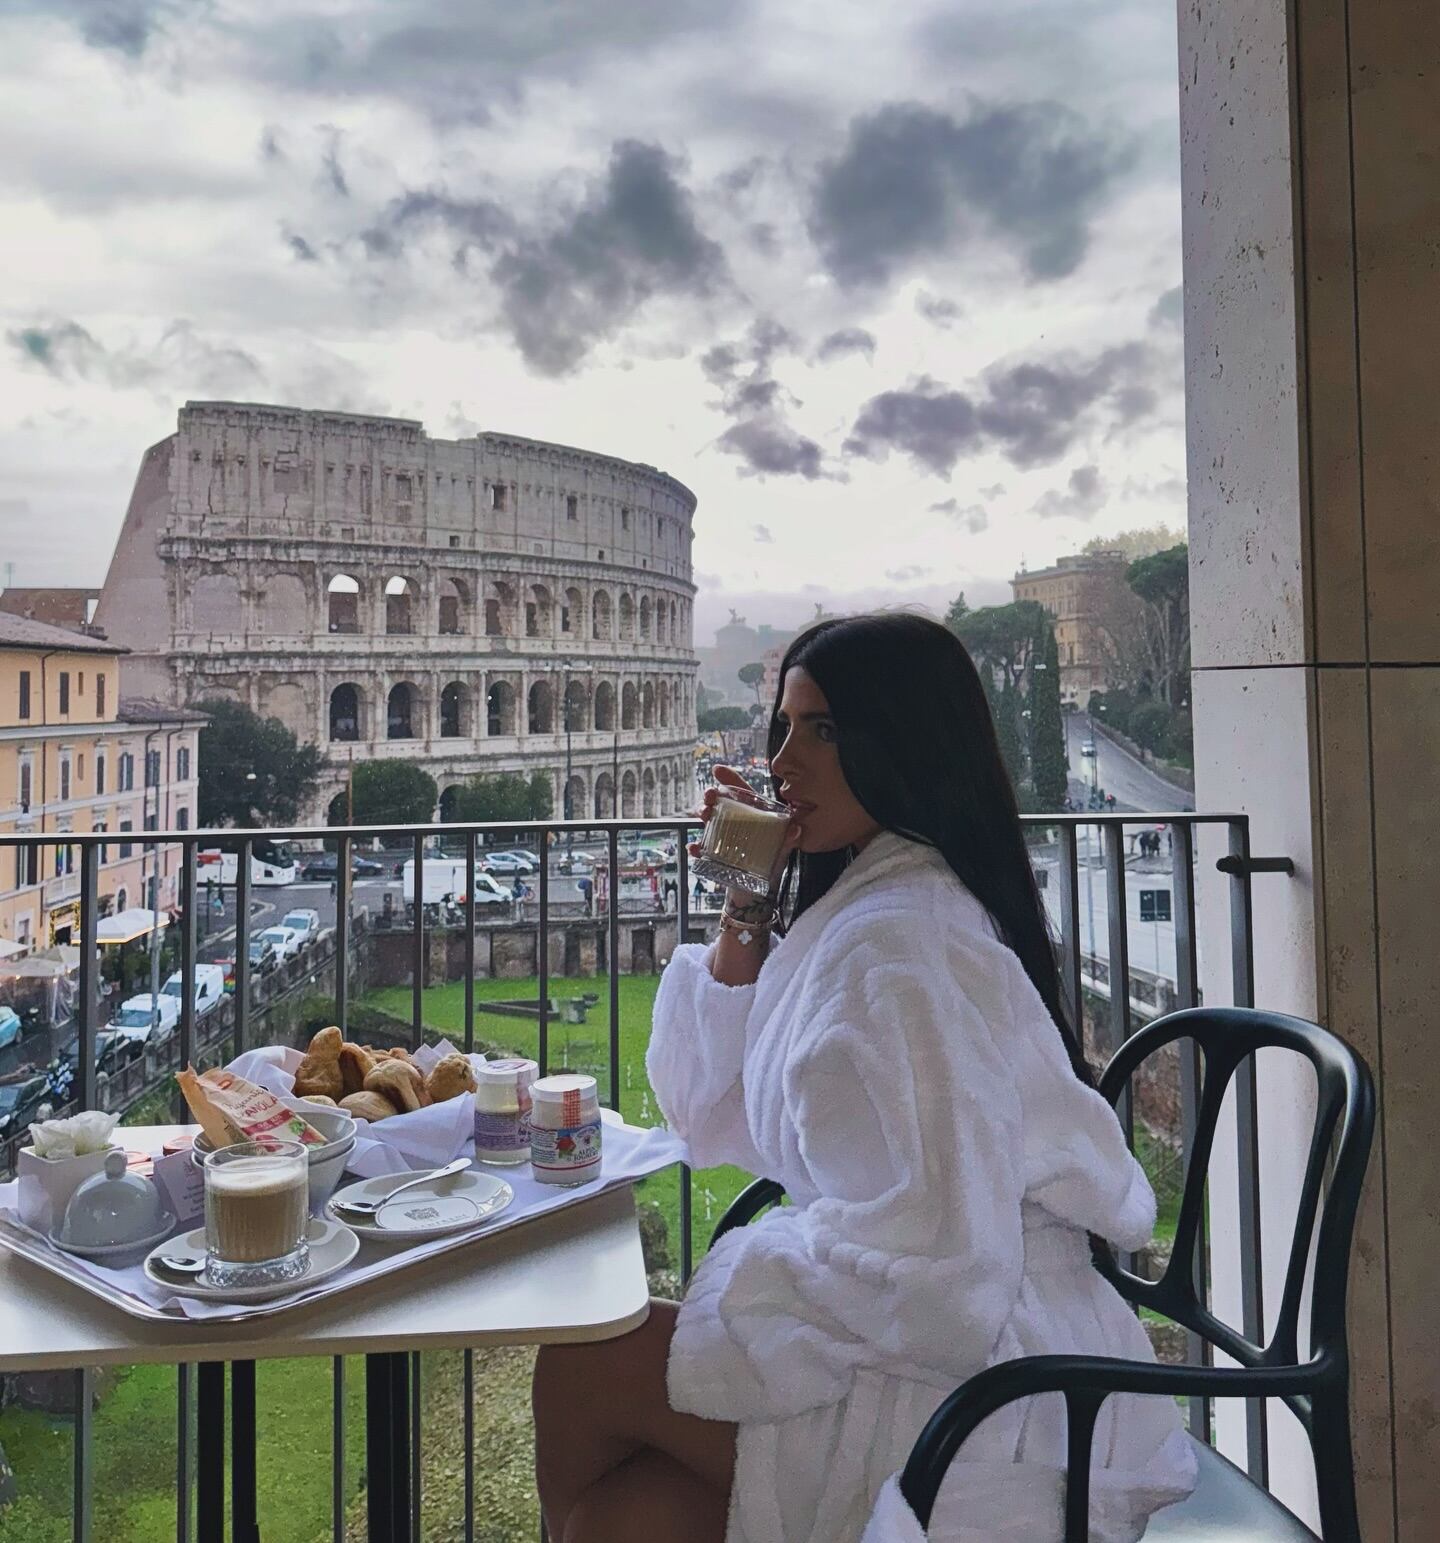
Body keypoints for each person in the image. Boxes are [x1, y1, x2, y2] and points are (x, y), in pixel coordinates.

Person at [532, 614, 1195, 1543]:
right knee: (622, 1518)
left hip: (982, 1395)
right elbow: (708, 1108)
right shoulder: (874, 908)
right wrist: (746, 905)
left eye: (826, 731)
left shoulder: (905, 946)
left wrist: (759, 1286)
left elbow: (947, 1263)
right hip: (929, 1346)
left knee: (585, 1369)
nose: (785, 762)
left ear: (903, 743)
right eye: (786, 727)